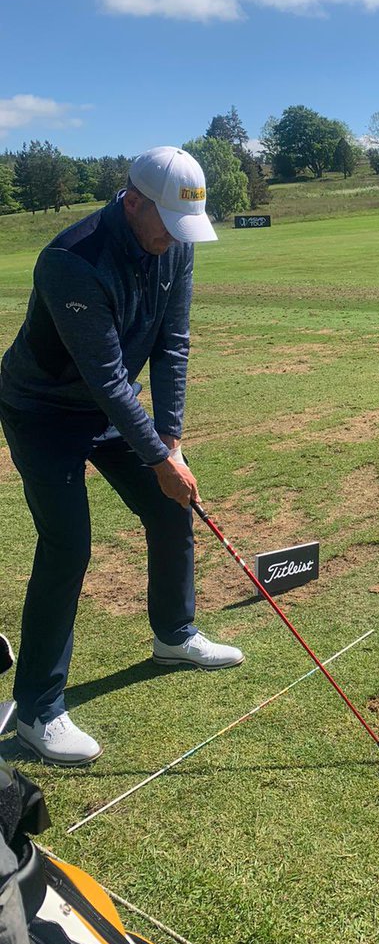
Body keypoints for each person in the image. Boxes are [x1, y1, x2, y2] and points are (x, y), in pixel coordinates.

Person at [0, 147, 244, 767]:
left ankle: (175, 634)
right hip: (42, 410)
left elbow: (173, 344)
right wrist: (160, 460)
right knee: (68, 545)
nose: (174, 238)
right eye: (164, 221)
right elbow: (107, 378)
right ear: (132, 201)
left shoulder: (176, 243)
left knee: (170, 513)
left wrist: (171, 442)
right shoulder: (70, 259)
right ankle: (36, 709)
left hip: (109, 411)